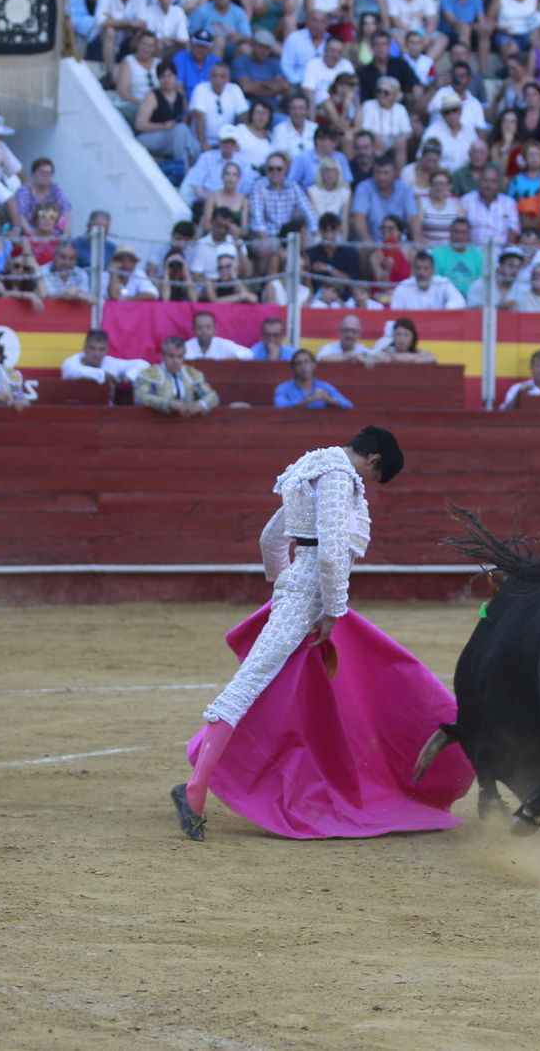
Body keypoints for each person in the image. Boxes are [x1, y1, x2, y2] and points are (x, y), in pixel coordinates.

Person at [171, 426, 406, 841]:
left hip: (300, 589)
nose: (368, 484)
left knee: (275, 686)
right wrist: (332, 610)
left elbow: (270, 539)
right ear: (373, 459)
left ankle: (269, 783)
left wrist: (283, 585)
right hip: (312, 593)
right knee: (247, 687)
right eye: (374, 476)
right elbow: (333, 551)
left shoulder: (309, 470)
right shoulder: (338, 476)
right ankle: (193, 789)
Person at [134, 336, 220, 417]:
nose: (175, 361)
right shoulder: (148, 375)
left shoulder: (192, 375)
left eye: (179, 356)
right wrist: (169, 404)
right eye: (171, 356)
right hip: (156, 425)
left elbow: (212, 396)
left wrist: (200, 405)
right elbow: (140, 397)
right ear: (163, 356)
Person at [61, 329, 150, 387]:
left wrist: (129, 376)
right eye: (92, 348)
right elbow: (71, 371)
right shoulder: (72, 362)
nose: (96, 353)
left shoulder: (110, 362)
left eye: (101, 349)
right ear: (85, 347)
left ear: (106, 350)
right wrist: (103, 375)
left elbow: (143, 364)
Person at [274, 347, 353, 409]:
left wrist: (329, 400)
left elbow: (348, 405)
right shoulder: (283, 388)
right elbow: (280, 406)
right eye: (298, 363)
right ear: (293, 368)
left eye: (306, 362)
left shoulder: (324, 387)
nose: (303, 366)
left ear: (314, 365)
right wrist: (306, 400)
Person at [185, 310, 252, 360]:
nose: (204, 331)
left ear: (215, 329)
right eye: (200, 327)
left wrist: (228, 360)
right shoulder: (186, 347)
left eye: (208, 327)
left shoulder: (222, 344)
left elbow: (248, 353)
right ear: (193, 330)